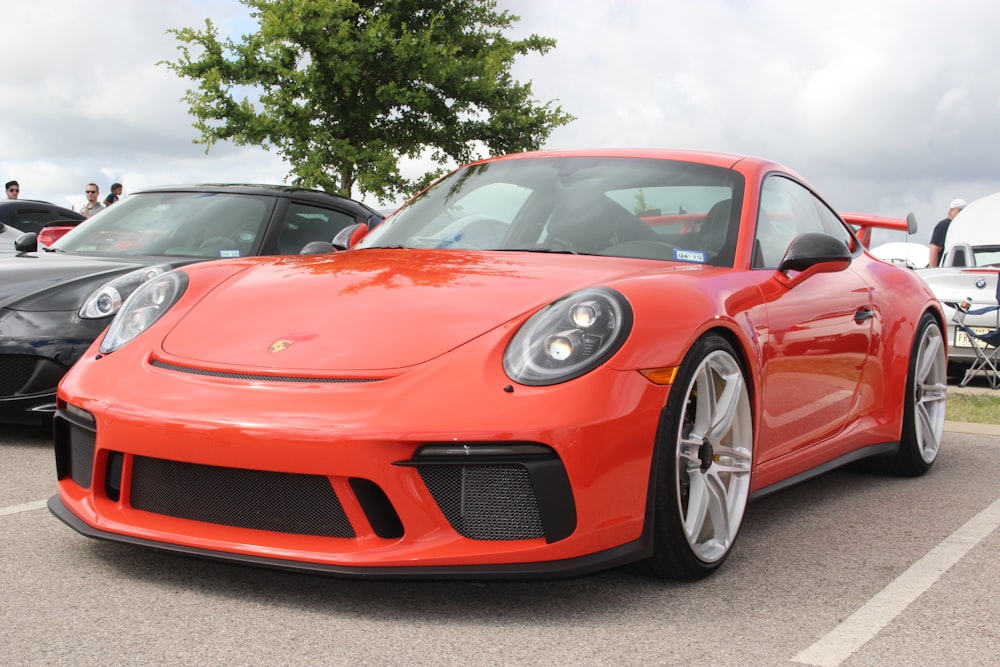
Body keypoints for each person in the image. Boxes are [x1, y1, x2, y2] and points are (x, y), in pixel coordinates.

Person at [928, 198, 967, 267]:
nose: (962, 213)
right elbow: (934, 249)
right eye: (960, 210)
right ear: (951, 210)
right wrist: (934, 270)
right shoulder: (944, 225)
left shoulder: (958, 226)